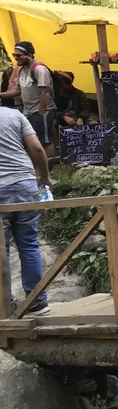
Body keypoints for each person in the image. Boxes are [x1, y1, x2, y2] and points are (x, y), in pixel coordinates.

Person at [0, 103, 55, 316]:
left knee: (1, 249)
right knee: (29, 244)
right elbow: (37, 148)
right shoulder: (14, 115)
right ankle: (37, 302)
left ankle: (4, 305)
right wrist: (44, 177)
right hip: (25, 183)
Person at [0, 42, 55, 159]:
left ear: (29, 55)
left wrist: (41, 113)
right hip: (29, 112)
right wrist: (1, 95)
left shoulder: (39, 69)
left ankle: (48, 166)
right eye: (14, 55)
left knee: (45, 140)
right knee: (32, 141)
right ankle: (38, 165)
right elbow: (18, 90)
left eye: (19, 55)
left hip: (43, 110)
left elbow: (45, 93)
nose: (16, 58)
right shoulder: (21, 70)